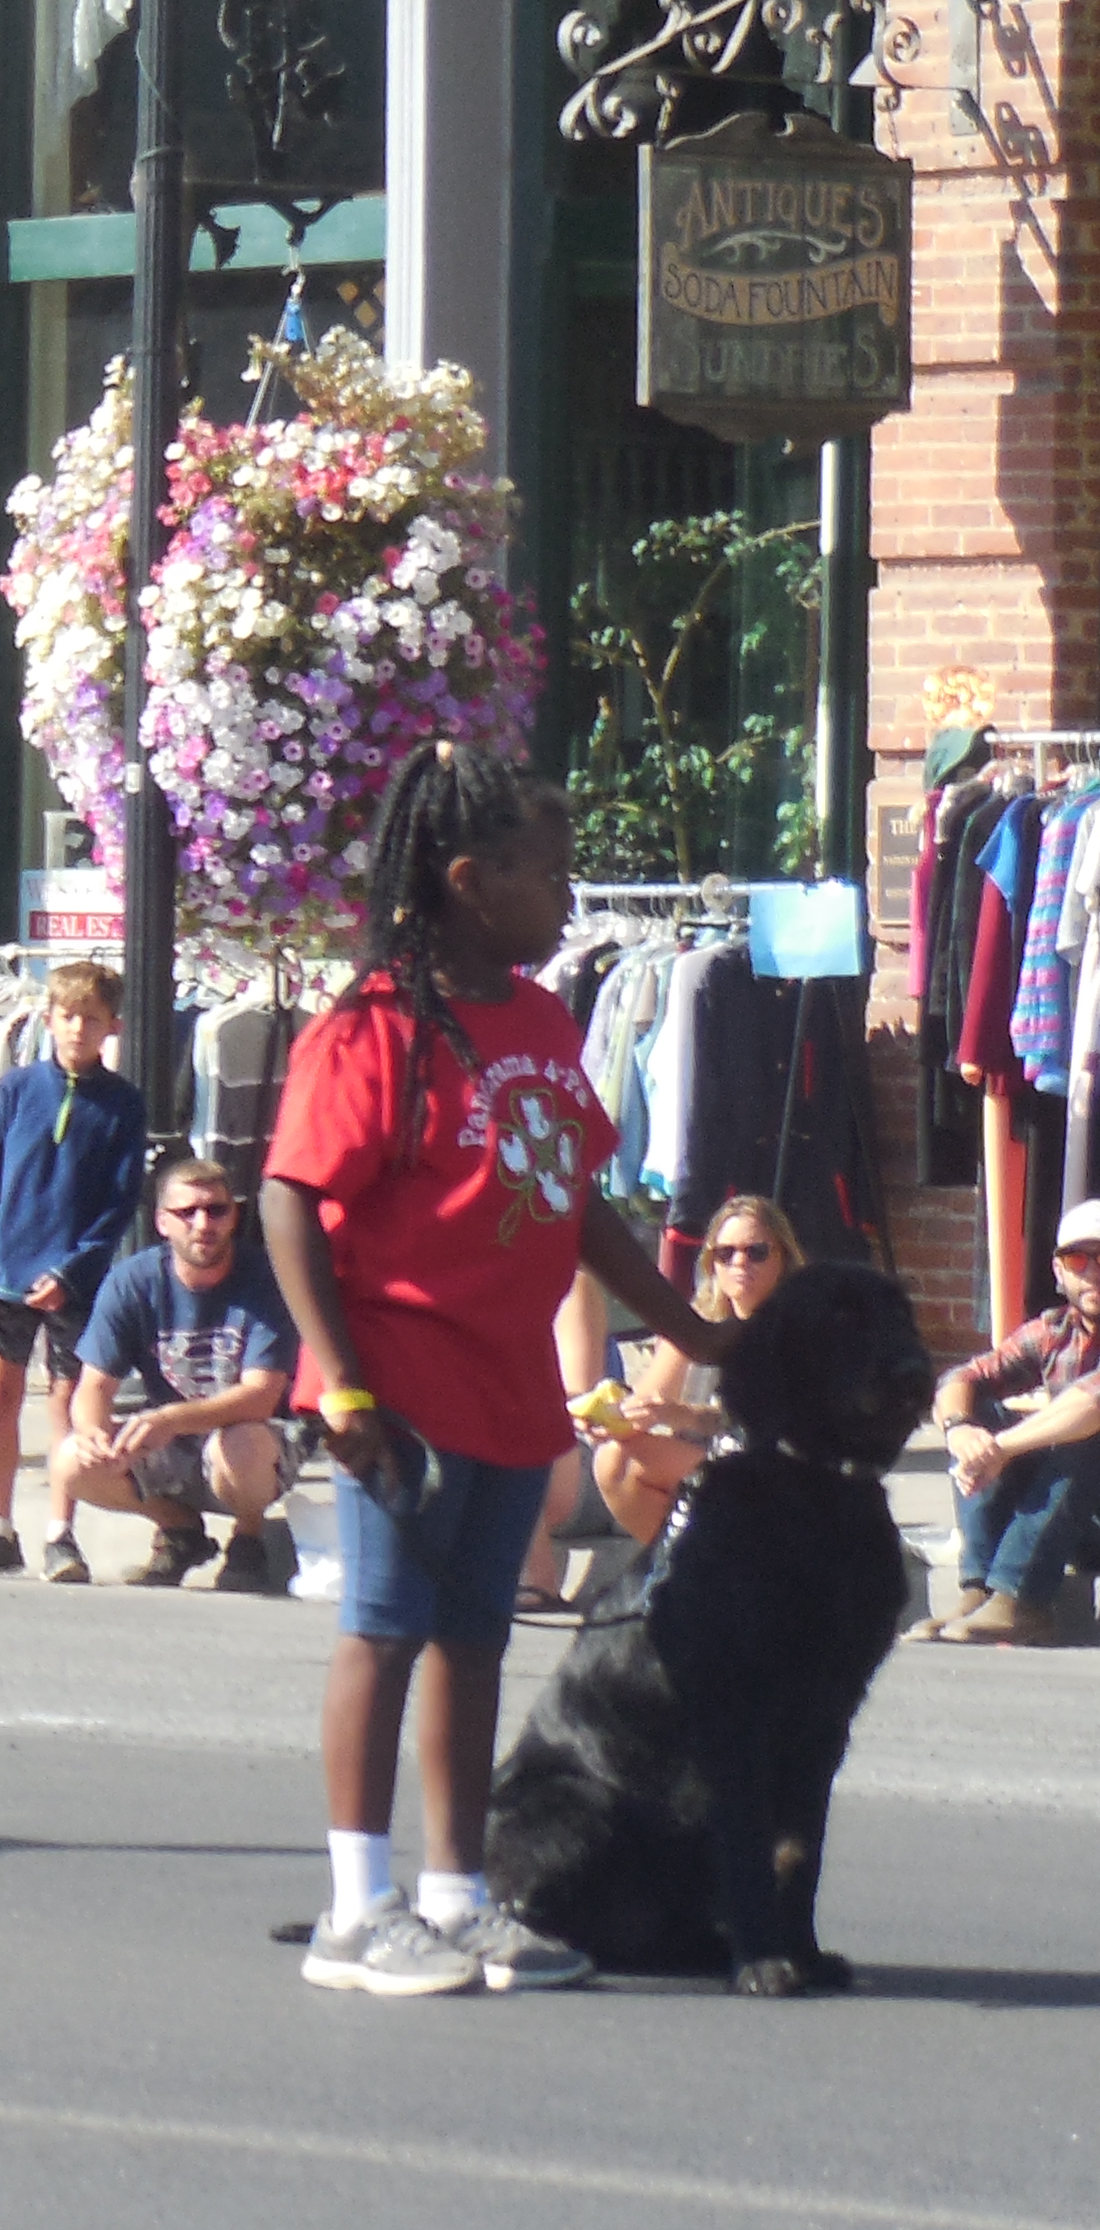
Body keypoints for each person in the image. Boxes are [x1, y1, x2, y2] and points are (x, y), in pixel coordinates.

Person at [260, 740, 717, 2000]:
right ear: (469, 878)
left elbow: (577, 1199)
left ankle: (459, 1896)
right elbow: (291, 1200)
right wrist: (341, 1386)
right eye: (548, 875)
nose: (566, 899)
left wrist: (693, 1320)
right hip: (398, 1388)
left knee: (474, 1640)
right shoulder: (373, 1029)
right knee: (385, 1632)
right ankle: (360, 1910)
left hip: (510, 1386)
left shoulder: (542, 1018)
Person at [0, 961, 147, 1577]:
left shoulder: (122, 1105)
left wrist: (75, 1272)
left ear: (112, 1026)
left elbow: (118, 1203)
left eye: (89, 1018)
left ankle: (62, 1530)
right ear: (49, 1019)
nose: (76, 1028)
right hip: (6, 1273)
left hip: (72, 1284)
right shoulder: (16, 1090)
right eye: (65, 1016)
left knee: (65, 1404)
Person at [50, 1157, 300, 1592]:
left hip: (260, 1440)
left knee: (240, 1441)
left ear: (233, 1215)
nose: (203, 1224)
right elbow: (93, 1384)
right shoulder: (133, 1281)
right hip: (175, 1443)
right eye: (187, 1213)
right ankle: (179, 1530)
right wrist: (92, 1431)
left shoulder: (266, 1278)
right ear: (163, 1222)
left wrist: (169, 1419)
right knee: (72, 1460)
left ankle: (248, 1538)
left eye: (216, 1210)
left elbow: (261, 1395)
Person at [916, 1197, 1100, 1645]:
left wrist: (1001, 1449)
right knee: (980, 1414)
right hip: (1078, 1515)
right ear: (1059, 1273)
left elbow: (1091, 1404)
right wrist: (962, 1430)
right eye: (1079, 1259)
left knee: (1081, 1436)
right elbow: (962, 1376)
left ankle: (1021, 1599)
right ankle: (980, 1590)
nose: (1093, 1271)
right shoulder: (1054, 1331)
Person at [573, 1196, 801, 1548]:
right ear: (712, 1263)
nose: (740, 1263)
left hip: (776, 1472)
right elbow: (645, 1401)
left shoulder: (799, 1328)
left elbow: (774, 1426)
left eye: (756, 1252)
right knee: (614, 1459)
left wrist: (685, 1416)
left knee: (622, 1464)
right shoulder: (698, 1325)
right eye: (726, 1254)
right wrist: (608, 1417)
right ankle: (685, 1572)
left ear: (783, 1259)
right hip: (707, 1467)